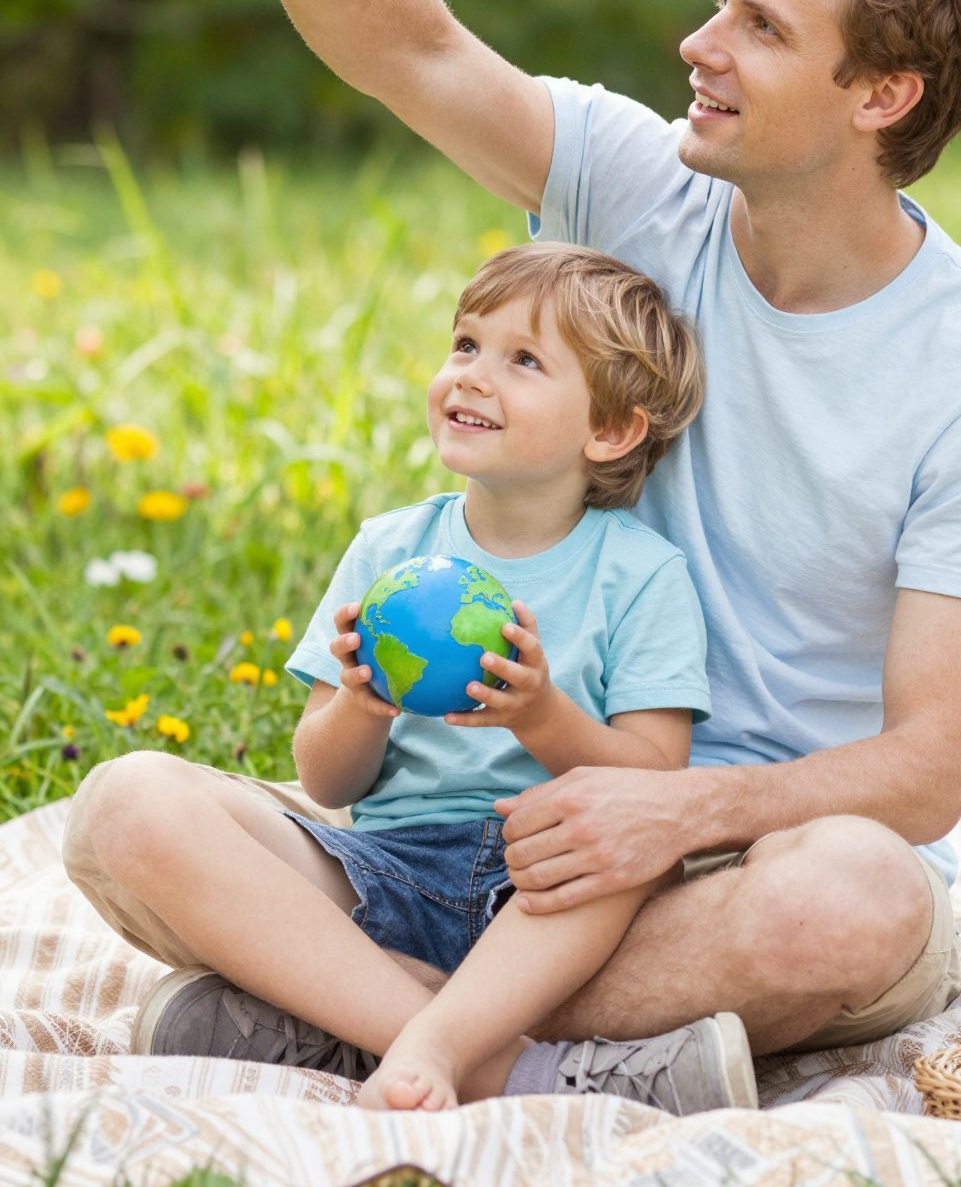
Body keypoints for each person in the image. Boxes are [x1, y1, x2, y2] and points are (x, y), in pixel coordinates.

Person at [65, 0, 961, 1075]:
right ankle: (481, 1052)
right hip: (489, 832)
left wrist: (673, 815)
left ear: (881, 96)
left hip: (745, 859)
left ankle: (340, 1015)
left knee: (857, 901)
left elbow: (929, 769)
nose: (698, 47)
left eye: (761, 28)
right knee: (123, 815)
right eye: (721, 6)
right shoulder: (647, 187)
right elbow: (418, 53)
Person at [72, 242, 764, 1116]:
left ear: (612, 429)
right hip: (383, 871)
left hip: (545, 887)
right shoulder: (390, 550)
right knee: (128, 799)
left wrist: (541, 714)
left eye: (523, 361)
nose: (472, 377)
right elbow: (327, 781)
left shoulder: (641, 574)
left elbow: (656, 783)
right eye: (466, 345)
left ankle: (379, 1038)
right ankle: (495, 1069)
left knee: (623, 852)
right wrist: (360, 704)